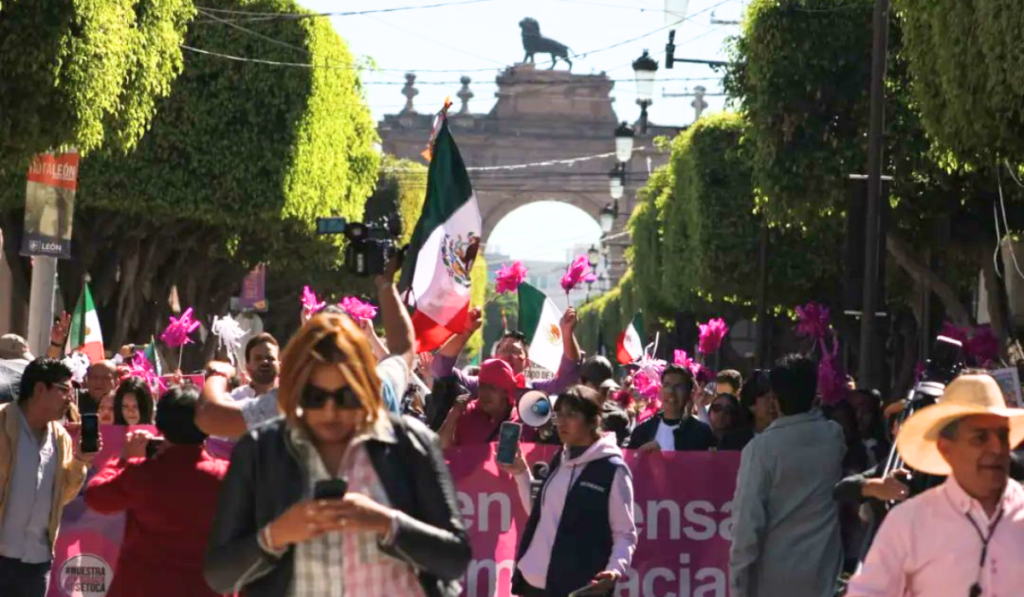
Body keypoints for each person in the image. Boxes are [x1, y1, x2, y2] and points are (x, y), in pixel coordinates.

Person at [204, 311, 471, 597]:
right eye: (315, 398)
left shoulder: (410, 445)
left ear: (366, 388)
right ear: (294, 392)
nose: (330, 412)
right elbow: (220, 575)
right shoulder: (260, 452)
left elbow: (455, 559)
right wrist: (276, 535)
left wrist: (385, 523)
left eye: (346, 397)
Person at [846, 373, 1024, 596]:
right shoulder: (908, 525)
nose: (997, 449)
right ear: (946, 449)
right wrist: (873, 486)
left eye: (1003, 435)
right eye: (980, 438)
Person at [196, 263, 415, 438]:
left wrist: (219, 373)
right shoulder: (379, 387)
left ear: (308, 352)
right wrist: (386, 284)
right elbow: (404, 349)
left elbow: (211, 417)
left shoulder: (293, 400)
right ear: (358, 349)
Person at [83, 386, 228, 597]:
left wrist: (125, 460)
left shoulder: (141, 473)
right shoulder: (225, 475)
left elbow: (97, 497)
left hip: (144, 587)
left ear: (160, 425)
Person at [500, 386, 637, 597]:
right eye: (559, 414)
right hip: (532, 585)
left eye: (571, 414)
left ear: (593, 421)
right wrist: (520, 472)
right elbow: (540, 513)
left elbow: (625, 535)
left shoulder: (613, 470)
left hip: (576, 589)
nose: (561, 422)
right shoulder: (560, 458)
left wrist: (614, 570)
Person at [729, 354, 846, 597]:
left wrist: (738, 585)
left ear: (773, 399)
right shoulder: (834, 437)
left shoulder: (760, 450)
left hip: (773, 581)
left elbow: (746, 525)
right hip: (825, 577)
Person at [0, 358, 95, 597]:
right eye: (64, 390)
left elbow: (62, 495)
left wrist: (81, 460)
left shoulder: (61, 438)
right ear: (40, 389)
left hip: (36, 562)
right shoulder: (2, 422)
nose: (70, 399)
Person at [431, 308, 582, 397]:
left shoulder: (534, 392)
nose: (510, 356)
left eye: (516, 352)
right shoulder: (477, 386)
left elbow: (568, 380)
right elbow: (440, 368)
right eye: (505, 350)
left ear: (527, 363)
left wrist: (567, 333)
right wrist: (466, 331)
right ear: (494, 358)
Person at [438, 358, 537, 449]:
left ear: (506, 391)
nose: (484, 393)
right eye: (481, 385)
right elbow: (442, 448)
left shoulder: (523, 420)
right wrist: (454, 413)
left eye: (492, 387)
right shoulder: (466, 412)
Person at [628, 365, 715, 452]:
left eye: (678, 387)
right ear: (661, 391)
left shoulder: (701, 432)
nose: (671, 392)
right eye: (667, 385)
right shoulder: (643, 431)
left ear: (689, 394)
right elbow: (630, 462)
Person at [579, 356, 631, 447]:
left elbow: (625, 452)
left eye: (605, 388)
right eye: (595, 387)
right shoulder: (568, 415)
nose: (600, 392)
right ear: (582, 384)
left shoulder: (618, 418)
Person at [229, 333, 280, 402]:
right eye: (258, 358)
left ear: (279, 365)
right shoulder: (234, 399)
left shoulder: (288, 400)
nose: (264, 362)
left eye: (270, 358)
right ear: (247, 367)